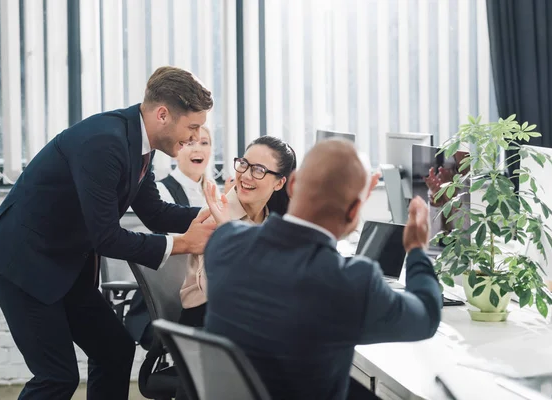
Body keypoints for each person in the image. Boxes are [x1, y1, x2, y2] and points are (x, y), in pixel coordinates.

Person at [0, 66, 217, 400]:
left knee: (114, 349)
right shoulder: (105, 143)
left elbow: (156, 213)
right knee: (56, 377)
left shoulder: (138, 144)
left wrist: (217, 217)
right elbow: (106, 237)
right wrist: (183, 244)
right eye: (192, 126)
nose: (195, 137)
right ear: (163, 114)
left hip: (64, 263)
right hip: (22, 263)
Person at [202, 138, 442, 400]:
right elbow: (427, 316)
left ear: (291, 185)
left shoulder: (224, 242)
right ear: (353, 212)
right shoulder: (351, 282)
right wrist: (417, 249)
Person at [179, 135, 297, 328]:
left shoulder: (272, 221)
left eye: (259, 169)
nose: (246, 175)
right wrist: (227, 230)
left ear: (279, 183)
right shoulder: (213, 214)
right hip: (207, 322)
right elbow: (218, 292)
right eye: (244, 164)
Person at [125, 125, 219, 348]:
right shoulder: (161, 192)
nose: (198, 148)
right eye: (191, 142)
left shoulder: (217, 193)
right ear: (178, 149)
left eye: (204, 142)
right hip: (175, 289)